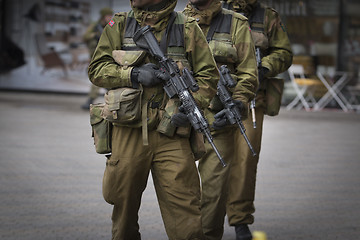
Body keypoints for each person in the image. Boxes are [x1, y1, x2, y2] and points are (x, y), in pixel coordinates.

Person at [88, 0, 220, 239]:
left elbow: (209, 75)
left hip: (173, 134)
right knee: (123, 210)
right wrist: (133, 74)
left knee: (186, 212)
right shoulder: (119, 23)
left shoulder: (188, 27)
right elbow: (97, 69)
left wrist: (192, 106)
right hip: (128, 131)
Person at [183, 1, 258, 240]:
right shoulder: (176, 22)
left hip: (218, 119)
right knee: (180, 191)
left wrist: (239, 100)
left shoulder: (236, 23)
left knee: (214, 193)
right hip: (179, 118)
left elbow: (248, 71)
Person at [221, 0, 293, 239]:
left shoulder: (266, 16)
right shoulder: (213, 10)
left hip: (252, 101)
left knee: (245, 161)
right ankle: (204, 216)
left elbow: (284, 52)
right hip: (214, 99)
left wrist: (264, 68)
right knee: (209, 158)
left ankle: (240, 219)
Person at [81, 7, 113, 110]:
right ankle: (91, 99)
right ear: (103, 16)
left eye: (110, 16)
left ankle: (91, 99)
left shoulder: (112, 24)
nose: (110, 18)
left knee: (101, 78)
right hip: (95, 56)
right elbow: (85, 37)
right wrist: (95, 35)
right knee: (98, 77)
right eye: (108, 16)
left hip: (108, 55)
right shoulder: (95, 26)